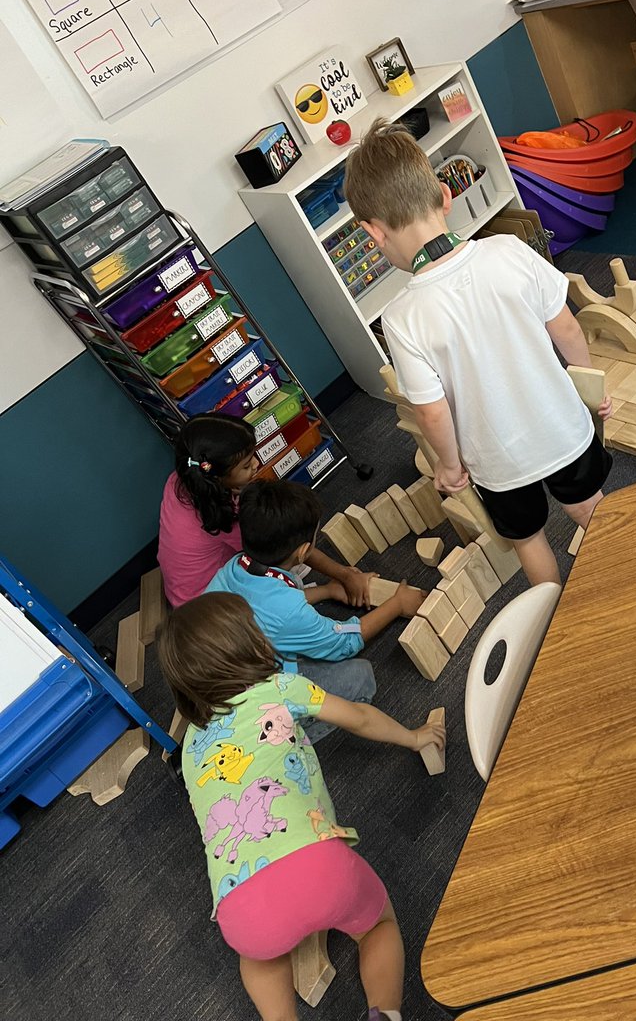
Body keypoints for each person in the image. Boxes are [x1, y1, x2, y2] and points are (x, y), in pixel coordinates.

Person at [343, 121, 614, 586]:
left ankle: (554, 612)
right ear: (446, 196)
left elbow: (431, 413)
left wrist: (449, 466)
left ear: (374, 233)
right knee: (592, 509)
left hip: (497, 461)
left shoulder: (402, 316)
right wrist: (591, 386)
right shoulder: (508, 250)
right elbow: (567, 327)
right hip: (562, 427)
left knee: (529, 541)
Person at [157, 591, 444, 1021]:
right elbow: (361, 717)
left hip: (243, 907)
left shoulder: (190, 748)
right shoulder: (279, 688)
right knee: (378, 926)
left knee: (258, 961)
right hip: (320, 868)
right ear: (252, 644)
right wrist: (414, 737)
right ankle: (384, 1013)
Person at [206, 479, 425, 738]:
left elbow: (269, 609)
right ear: (302, 552)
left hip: (217, 669)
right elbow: (344, 643)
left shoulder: (235, 567)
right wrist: (397, 604)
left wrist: (327, 590)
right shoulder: (289, 610)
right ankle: (292, 734)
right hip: (249, 702)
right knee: (361, 677)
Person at [158, 414, 377, 609]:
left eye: (252, 455)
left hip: (186, 589)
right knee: (275, 591)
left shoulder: (186, 477)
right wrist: (344, 575)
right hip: (206, 609)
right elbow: (288, 541)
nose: (256, 464)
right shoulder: (222, 515)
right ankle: (326, 591)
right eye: (246, 465)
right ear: (218, 477)